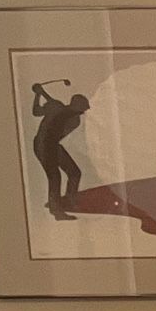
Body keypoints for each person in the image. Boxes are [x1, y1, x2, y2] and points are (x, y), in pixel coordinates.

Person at [30, 80, 89, 219]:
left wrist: (47, 100)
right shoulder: (56, 107)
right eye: (81, 108)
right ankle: (56, 210)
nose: (83, 112)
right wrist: (38, 95)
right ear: (74, 105)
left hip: (53, 145)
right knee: (54, 177)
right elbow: (36, 111)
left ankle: (70, 201)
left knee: (74, 173)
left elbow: (59, 125)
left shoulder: (74, 120)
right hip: (42, 144)